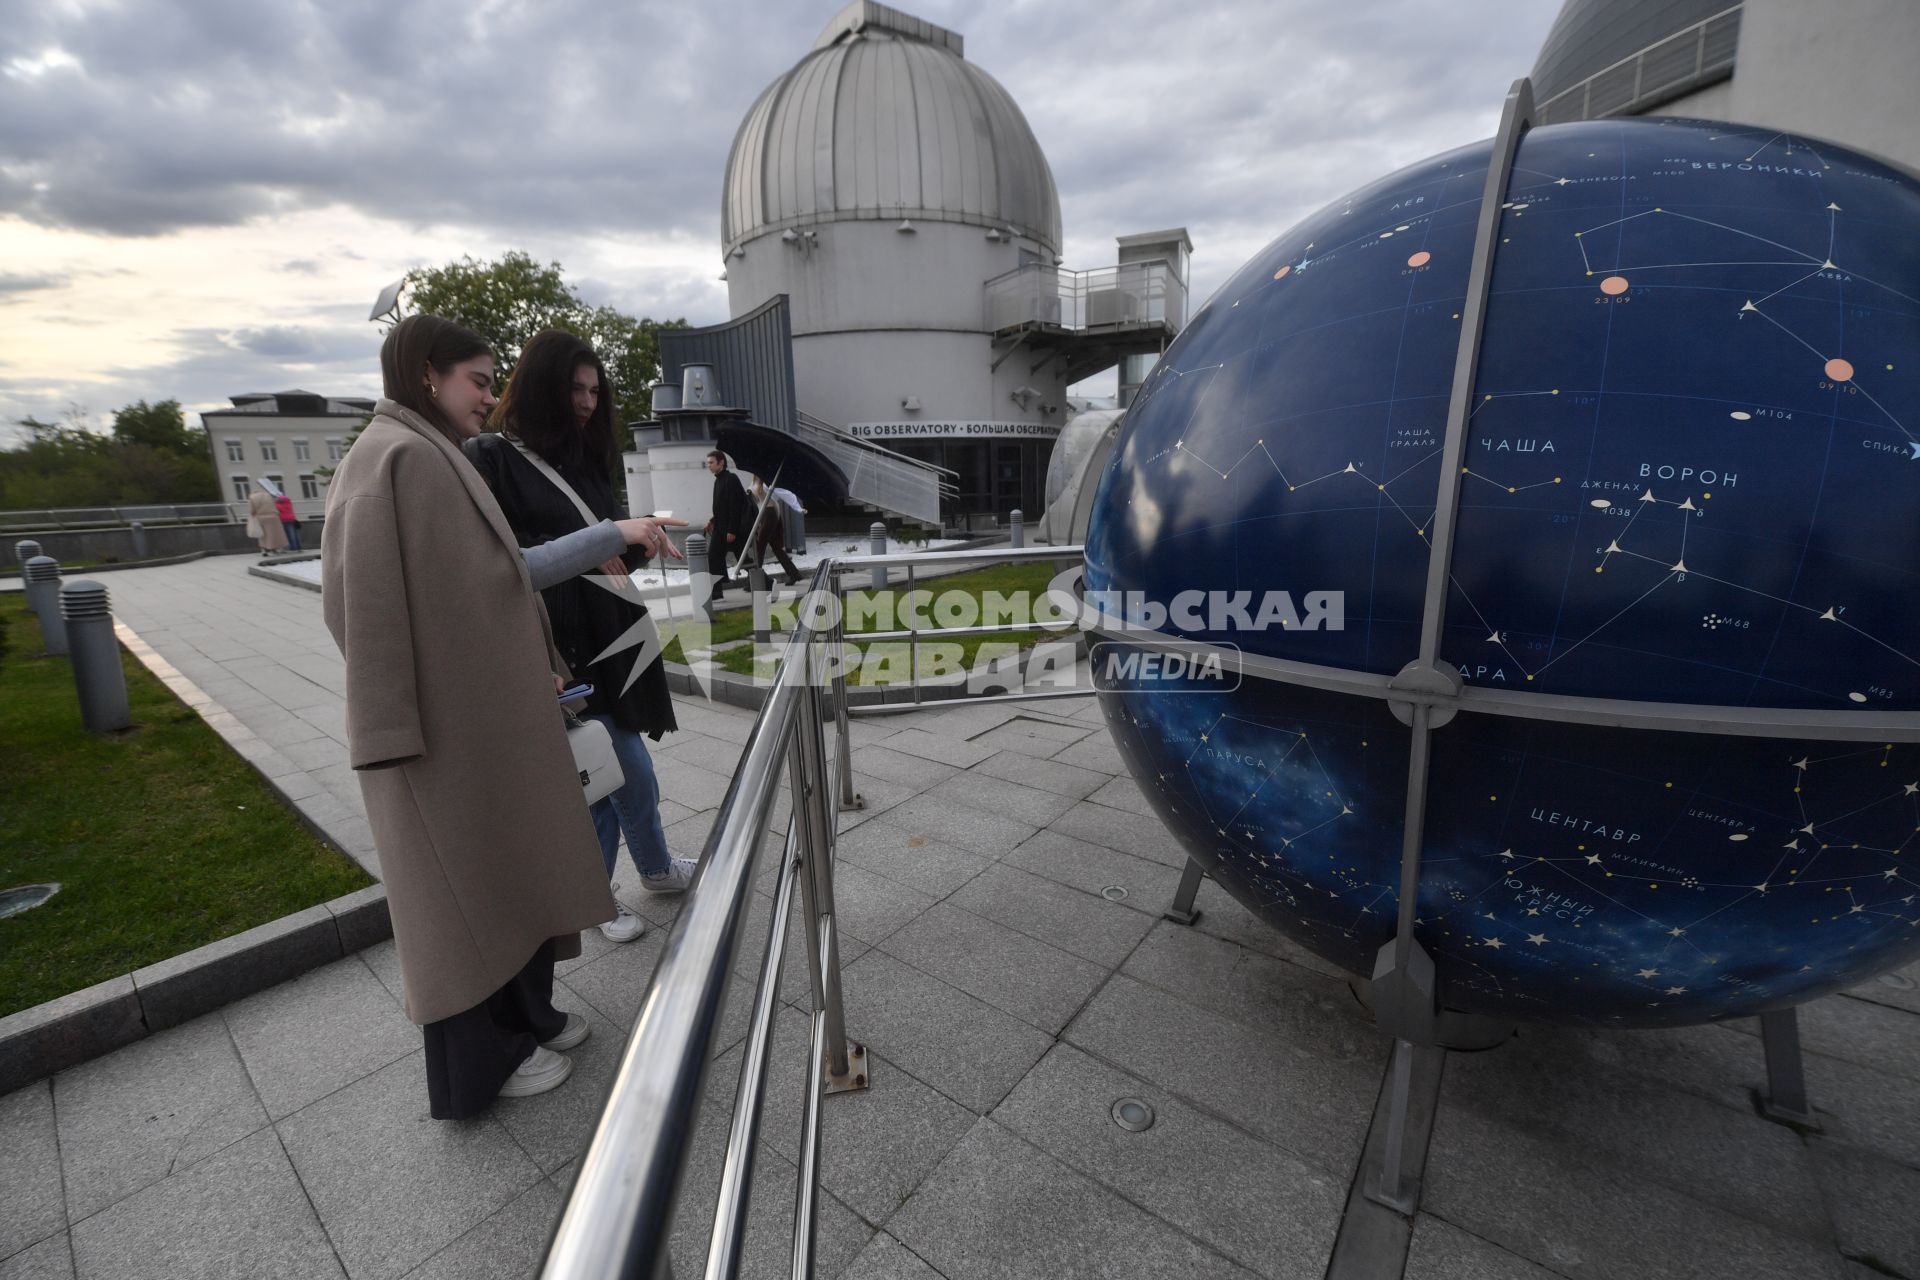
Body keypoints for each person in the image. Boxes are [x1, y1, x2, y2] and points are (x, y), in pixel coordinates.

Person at [321, 314, 684, 1118]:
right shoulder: (399, 460)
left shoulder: (423, 455)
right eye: (478, 380)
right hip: (446, 733)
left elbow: (486, 588)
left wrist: (544, 671)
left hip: (486, 718)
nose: (490, 396)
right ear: (426, 375)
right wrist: (392, 737)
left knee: (508, 879)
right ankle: (487, 1060)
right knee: (466, 903)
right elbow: (366, 609)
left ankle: (526, 1021)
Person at [466, 330, 697, 945]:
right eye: (575, 387)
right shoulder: (490, 458)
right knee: (609, 772)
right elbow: (501, 562)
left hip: (609, 635)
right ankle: (600, 895)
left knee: (608, 768)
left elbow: (609, 561)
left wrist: (639, 542)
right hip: (557, 643)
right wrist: (598, 546)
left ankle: (647, 870)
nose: (589, 401)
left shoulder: (585, 459)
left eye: (596, 389)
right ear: (543, 385)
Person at [702, 450, 754, 602]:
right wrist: (712, 520)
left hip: (730, 529)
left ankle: (766, 583)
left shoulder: (731, 479)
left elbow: (735, 506)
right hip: (720, 527)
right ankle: (717, 593)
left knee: (743, 559)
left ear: (721, 462)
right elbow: (722, 507)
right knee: (714, 557)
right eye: (708, 463)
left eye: (711, 462)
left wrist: (732, 530)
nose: (709, 466)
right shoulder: (718, 480)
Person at [746, 478, 802, 585]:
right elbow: (750, 493)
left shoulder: (767, 481)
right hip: (763, 513)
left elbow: (784, 494)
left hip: (770, 513)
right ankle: (794, 574)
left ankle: (754, 582)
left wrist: (798, 507)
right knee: (776, 547)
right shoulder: (753, 480)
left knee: (760, 546)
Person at [247, 486, 288, 556]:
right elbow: (276, 502)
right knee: (274, 534)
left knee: (262, 535)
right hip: (273, 517)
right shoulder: (268, 495)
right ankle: (274, 549)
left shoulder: (252, 497)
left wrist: (252, 514)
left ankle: (263, 550)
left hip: (261, 517)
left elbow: (252, 510)